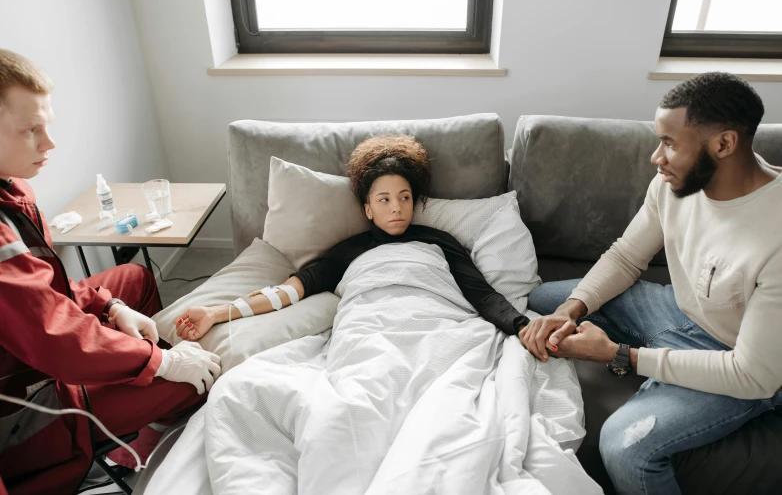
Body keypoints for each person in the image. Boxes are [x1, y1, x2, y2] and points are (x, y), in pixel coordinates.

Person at [524, 72, 782, 494]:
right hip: (677, 313)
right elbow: (627, 256)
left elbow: (753, 375)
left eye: (670, 143)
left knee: (625, 445)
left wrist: (619, 355)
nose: (655, 157)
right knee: (538, 302)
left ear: (724, 144)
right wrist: (570, 308)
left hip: (740, 362)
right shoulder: (674, 184)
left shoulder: (776, 232)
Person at [0, 49, 222, 495]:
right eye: (31, 131)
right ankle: (131, 433)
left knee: (133, 279)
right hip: (28, 405)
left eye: (47, 125)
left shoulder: (12, 188)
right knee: (198, 381)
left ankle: (139, 408)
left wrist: (110, 305)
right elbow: (54, 337)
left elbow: (47, 289)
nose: (50, 143)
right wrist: (162, 362)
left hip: (40, 350)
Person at [174, 135, 529, 342]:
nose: (397, 208)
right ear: (368, 208)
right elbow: (287, 292)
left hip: (437, 326)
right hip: (370, 331)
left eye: (405, 197)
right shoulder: (351, 250)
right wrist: (216, 312)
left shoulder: (440, 240)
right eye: (384, 200)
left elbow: (482, 295)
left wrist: (523, 327)